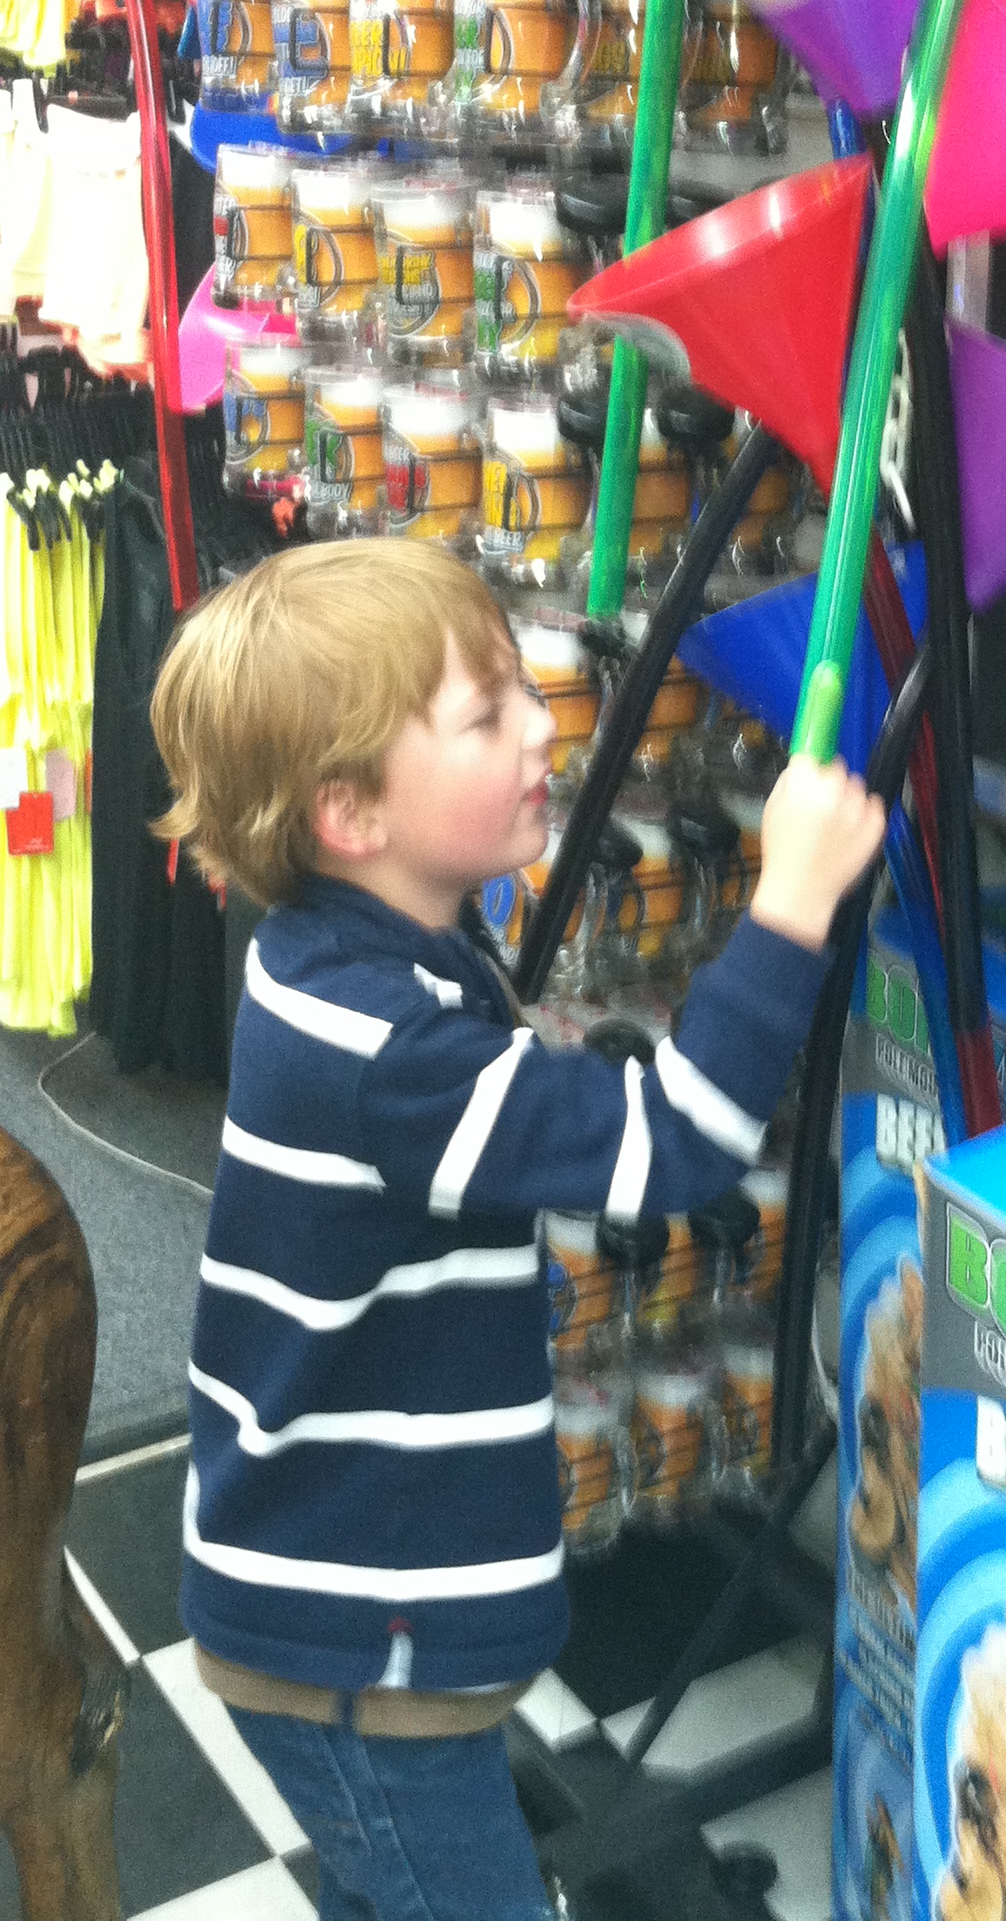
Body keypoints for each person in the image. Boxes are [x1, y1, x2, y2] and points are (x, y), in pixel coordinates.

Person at [148, 537, 887, 1921]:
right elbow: (671, 1145)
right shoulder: (383, 1049)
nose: (544, 724)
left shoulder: (349, 954)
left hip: (344, 1599)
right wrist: (789, 906)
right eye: (486, 713)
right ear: (350, 812)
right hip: (361, 1648)